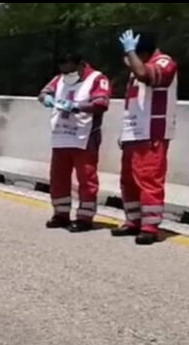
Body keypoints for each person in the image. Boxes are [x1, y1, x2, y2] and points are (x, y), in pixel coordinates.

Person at [113, 30, 178, 245]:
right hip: (133, 131)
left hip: (152, 132)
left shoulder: (164, 63)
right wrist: (124, 131)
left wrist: (130, 52)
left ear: (143, 51)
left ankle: (150, 226)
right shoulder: (136, 66)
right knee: (128, 181)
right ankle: (133, 220)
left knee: (149, 179)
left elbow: (145, 75)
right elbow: (133, 103)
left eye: (135, 53)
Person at [38, 52, 111, 232]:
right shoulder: (59, 79)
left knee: (86, 178)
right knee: (58, 178)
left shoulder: (97, 79)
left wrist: (77, 107)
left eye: (70, 71)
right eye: (64, 71)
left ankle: (85, 217)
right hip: (62, 136)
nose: (67, 75)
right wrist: (45, 98)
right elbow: (43, 93)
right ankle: (61, 214)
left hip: (85, 136)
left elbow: (102, 103)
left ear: (80, 65)